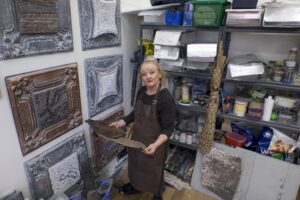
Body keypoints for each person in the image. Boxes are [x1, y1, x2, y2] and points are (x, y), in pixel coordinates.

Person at [109, 60, 175, 200]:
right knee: (137, 166)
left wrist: (156, 145)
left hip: (156, 142)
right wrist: (122, 122)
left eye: (152, 72)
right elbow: (135, 113)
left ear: (159, 75)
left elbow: (168, 129)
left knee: (154, 170)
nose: (148, 76)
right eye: (144, 74)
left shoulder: (165, 98)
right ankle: (136, 186)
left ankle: (157, 194)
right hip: (137, 139)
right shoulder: (141, 92)